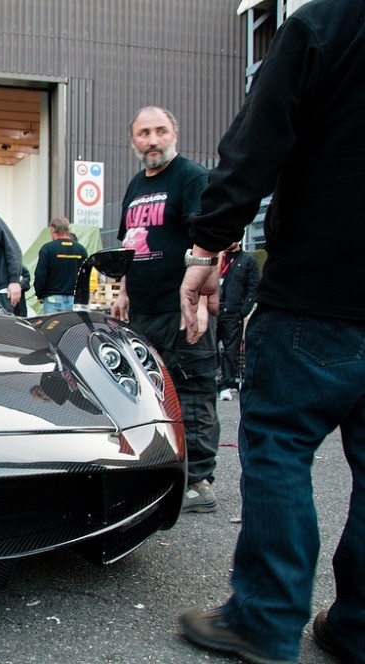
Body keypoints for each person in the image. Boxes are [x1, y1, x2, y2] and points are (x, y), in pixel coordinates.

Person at [178, 2, 365, 662]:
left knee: (280, 447)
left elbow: (255, 144)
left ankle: (266, 618)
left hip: (319, 290)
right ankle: (358, 629)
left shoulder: (328, 24)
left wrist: (206, 249)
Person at [113, 106, 220, 514]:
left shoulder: (192, 178)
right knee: (150, 392)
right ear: (133, 140)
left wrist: (205, 295)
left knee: (192, 390)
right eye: (143, 133)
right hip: (143, 309)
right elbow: (131, 242)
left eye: (160, 131)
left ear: (174, 132)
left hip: (183, 309)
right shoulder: (136, 185)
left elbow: (210, 236)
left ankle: (199, 482)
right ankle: (162, 470)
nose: (152, 140)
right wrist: (124, 291)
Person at [214, 241, 258, 401]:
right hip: (214, 309)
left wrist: (243, 310)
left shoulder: (247, 261)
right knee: (211, 347)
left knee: (230, 350)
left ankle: (227, 383)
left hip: (233, 312)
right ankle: (216, 380)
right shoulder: (218, 257)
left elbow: (252, 287)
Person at [33, 216, 87, 313]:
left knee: (51, 327)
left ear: (53, 229)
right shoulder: (81, 250)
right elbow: (85, 276)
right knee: (72, 327)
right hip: (74, 299)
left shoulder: (47, 249)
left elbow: (40, 275)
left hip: (52, 299)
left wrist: (40, 294)